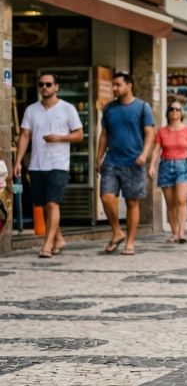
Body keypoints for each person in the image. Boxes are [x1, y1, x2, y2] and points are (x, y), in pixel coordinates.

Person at [15, 72, 83, 258]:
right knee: (44, 205)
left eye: (48, 84)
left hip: (59, 163)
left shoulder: (67, 109)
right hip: (37, 164)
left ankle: (47, 244)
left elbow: (79, 134)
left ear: (56, 87)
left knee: (53, 203)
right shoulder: (31, 110)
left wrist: (59, 138)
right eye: (41, 84)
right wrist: (18, 161)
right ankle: (59, 239)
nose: (44, 87)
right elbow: (25, 136)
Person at [96, 71, 155, 256]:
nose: (114, 88)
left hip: (134, 161)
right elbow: (104, 134)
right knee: (106, 197)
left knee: (132, 203)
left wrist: (144, 154)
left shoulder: (143, 107)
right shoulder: (108, 109)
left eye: (118, 84)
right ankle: (117, 231)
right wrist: (99, 158)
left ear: (129, 86)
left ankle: (130, 242)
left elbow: (150, 133)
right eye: (113, 84)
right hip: (112, 161)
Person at [148, 101, 187, 244]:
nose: (175, 112)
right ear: (168, 112)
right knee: (170, 203)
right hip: (166, 166)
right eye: (172, 109)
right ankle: (174, 232)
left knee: (181, 200)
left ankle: (182, 232)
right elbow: (156, 150)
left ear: (182, 113)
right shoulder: (162, 131)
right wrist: (152, 166)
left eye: (178, 109)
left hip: (183, 166)